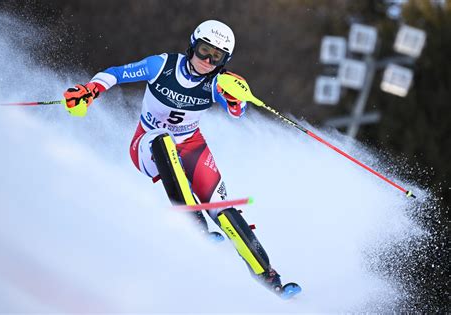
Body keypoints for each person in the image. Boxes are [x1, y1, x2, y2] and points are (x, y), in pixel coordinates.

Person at [63, 20, 294, 296]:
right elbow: (116, 74)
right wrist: (91, 91)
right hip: (146, 143)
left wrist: (235, 100)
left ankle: (269, 277)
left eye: (216, 57)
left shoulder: (217, 82)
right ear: (192, 45)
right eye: (204, 50)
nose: (207, 60)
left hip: (192, 145)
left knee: (222, 209)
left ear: (224, 61)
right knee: (163, 139)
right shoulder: (161, 65)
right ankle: (194, 222)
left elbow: (237, 112)